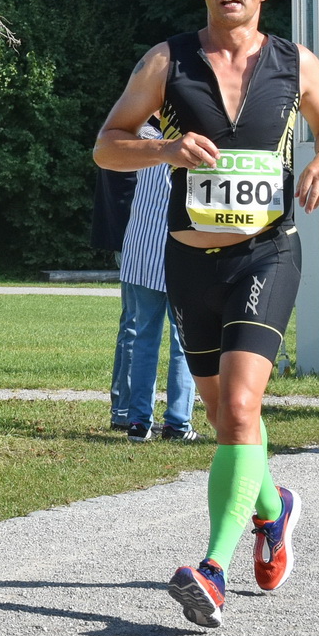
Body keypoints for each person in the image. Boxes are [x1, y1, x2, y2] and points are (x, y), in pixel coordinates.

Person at [93, 0, 319, 629]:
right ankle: (275, 509)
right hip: (189, 260)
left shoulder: (294, 63)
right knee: (220, 413)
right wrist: (163, 146)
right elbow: (107, 144)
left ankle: (211, 568)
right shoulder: (167, 61)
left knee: (240, 406)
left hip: (267, 254)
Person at [117, 120, 198, 442]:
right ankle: (178, 423)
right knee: (185, 344)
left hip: (142, 251)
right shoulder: (194, 146)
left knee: (143, 340)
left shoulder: (143, 140)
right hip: (184, 252)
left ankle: (138, 421)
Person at [91, 163, 139, 429]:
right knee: (134, 324)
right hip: (138, 239)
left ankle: (124, 409)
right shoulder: (141, 136)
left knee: (133, 324)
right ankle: (125, 410)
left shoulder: (124, 135)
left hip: (131, 237)